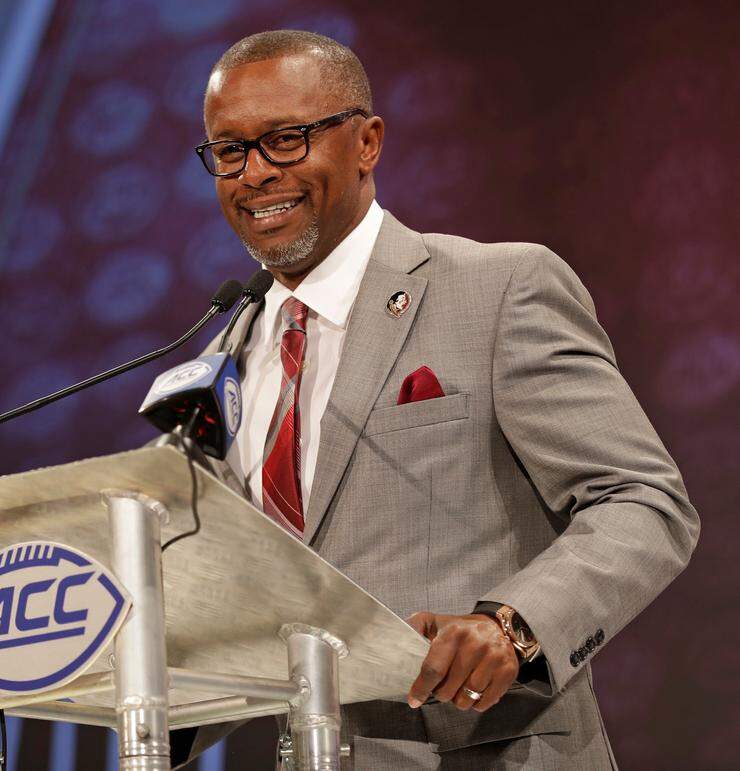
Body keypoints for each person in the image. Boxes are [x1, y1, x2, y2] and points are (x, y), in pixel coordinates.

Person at [186, 30, 698, 768]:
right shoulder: (220, 361)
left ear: (367, 143)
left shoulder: (498, 290)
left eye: (287, 140)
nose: (256, 173)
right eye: (230, 150)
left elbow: (643, 500)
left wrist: (514, 625)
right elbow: (236, 599)